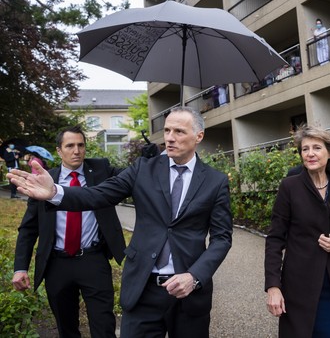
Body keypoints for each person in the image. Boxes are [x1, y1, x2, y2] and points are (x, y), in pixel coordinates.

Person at [9, 107, 233, 338]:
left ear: (199, 136)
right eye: (166, 130)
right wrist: (55, 192)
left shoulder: (215, 182)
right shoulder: (142, 169)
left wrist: (194, 276)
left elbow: (221, 238)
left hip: (189, 293)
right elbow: (97, 195)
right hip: (143, 289)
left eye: (179, 131)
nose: (169, 137)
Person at [12, 125, 126, 338]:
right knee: (67, 328)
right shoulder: (45, 180)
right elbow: (28, 228)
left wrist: (150, 160)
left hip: (93, 260)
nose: (77, 151)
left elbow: (129, 177)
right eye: (70, 145)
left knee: (104, 326)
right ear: (59, 150)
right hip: (57, 264)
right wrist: (20, 268)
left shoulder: (101, 171)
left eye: (81, 145)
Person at [265, 125, 330, 337]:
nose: (310, 153)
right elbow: (275, 239)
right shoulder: (289, 187)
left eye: (316, 148)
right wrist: (273, 287)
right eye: (305, 149)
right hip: (300, 286)